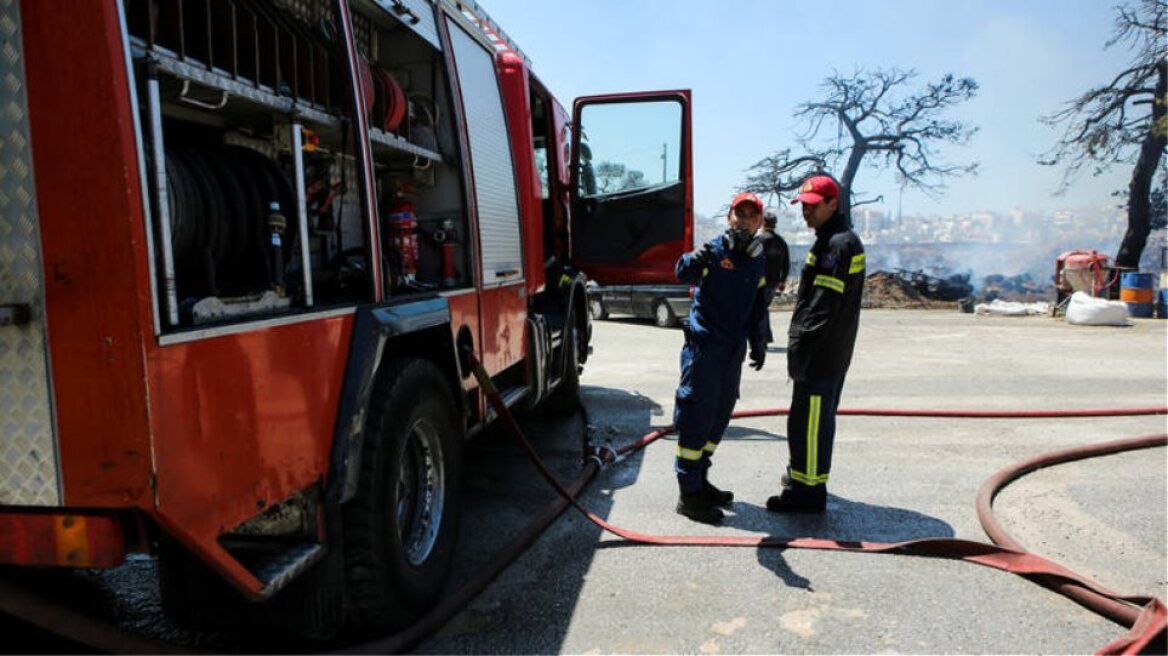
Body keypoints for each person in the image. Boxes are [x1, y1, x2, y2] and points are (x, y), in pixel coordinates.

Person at [768, 175, 865, 514]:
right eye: (803, 206)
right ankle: (802, 477)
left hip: (821, 353)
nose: (805, 213)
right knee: (808, 420)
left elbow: (821, 305)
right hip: (830, 351)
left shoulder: (836, 245)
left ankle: (807, 494)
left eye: (812, 207)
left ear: (832, 204)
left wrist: (800, 345)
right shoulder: (833, 239)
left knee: (810, 424)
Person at [672, 192, 771, 524]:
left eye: (751, 216)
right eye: (738, 214)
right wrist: (697, 257)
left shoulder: (757, 257)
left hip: (733, 351)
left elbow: (759, 303)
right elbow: (682, 272)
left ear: (760, 222)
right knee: (696, 414)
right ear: (729, 217)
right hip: (705, 348)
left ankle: (701, 478)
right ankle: (688, 495)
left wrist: (759, 340)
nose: (744, 220)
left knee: (720, 414)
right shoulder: (715, 249)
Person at [759, 208, 791, 343]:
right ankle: (765, 336)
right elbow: (786, 263)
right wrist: (782, 281)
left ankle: (763, 337)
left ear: (764, 223)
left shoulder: (760, 240)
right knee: (762, 308)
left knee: (759, 308)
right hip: (773, 282)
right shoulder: (781, 242)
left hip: (760, 282)